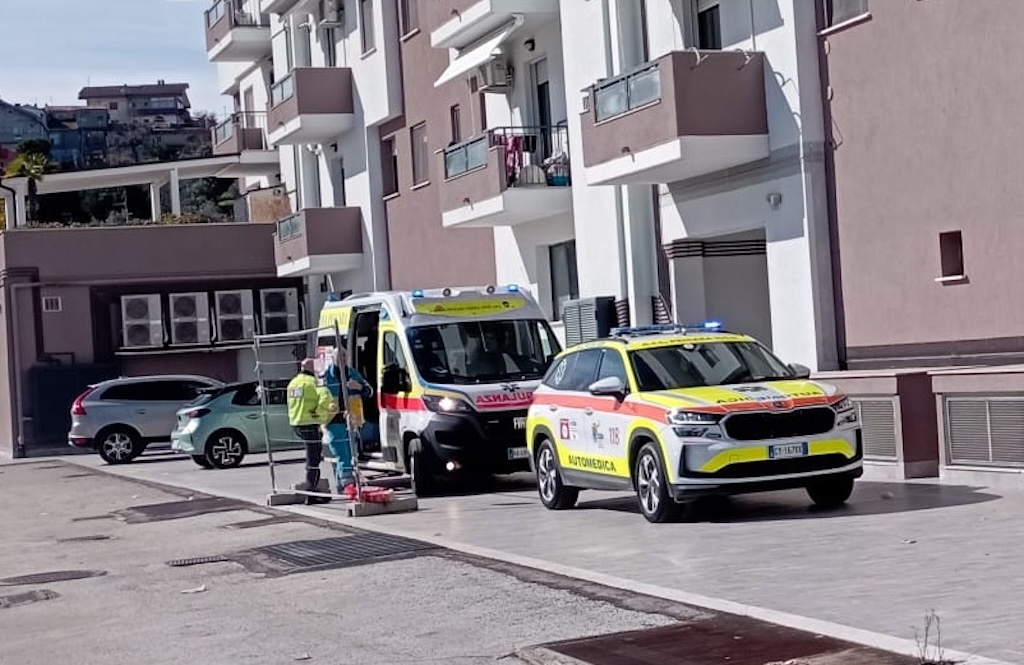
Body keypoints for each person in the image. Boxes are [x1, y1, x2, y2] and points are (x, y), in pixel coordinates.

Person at [321, 345, 373, 491]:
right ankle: (348, 486)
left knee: (350, 454)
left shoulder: (352, 373)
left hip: (352, 420)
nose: (342, 359)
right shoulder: (326, 376)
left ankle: (341, 486)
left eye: (344, 356)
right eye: (339, 356)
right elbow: (319, 398)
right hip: (333, 420)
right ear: (333, 358)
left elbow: (369, 392)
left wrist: (359, 387)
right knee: (342, 454)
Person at [286, 357, 337, 504]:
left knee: (311, 456)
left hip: (296, 423)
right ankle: (311, 493)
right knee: (314, 459)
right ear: (313, 369)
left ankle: (311, 489)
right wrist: (321, 415)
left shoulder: (293, 383)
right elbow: (326, 400)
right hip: (309, 423)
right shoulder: (314, 383)